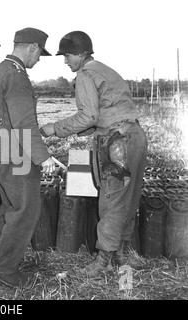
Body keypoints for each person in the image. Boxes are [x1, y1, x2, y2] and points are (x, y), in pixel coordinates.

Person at [40, 31, 148, 278]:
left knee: (111, 201)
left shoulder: (85, 74)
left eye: (67, 56)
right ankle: (121, 256)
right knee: (126, 200)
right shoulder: (106, 70)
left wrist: (53, 129)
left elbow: (88, 115)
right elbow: (101, 115)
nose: (66, 61)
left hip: (117, 142)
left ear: (80, 54)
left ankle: (102, 264)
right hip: (134, 136)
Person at [0, 28, 56, 288]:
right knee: (25, 210)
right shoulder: (17, 76)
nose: (37, 60)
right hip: (17, 154)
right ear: (33, 48)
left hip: (2, 151)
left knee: (10, 208)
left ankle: (0, 263)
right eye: (39, 55)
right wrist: (43, 156)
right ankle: (3, 268)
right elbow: (24, 122)